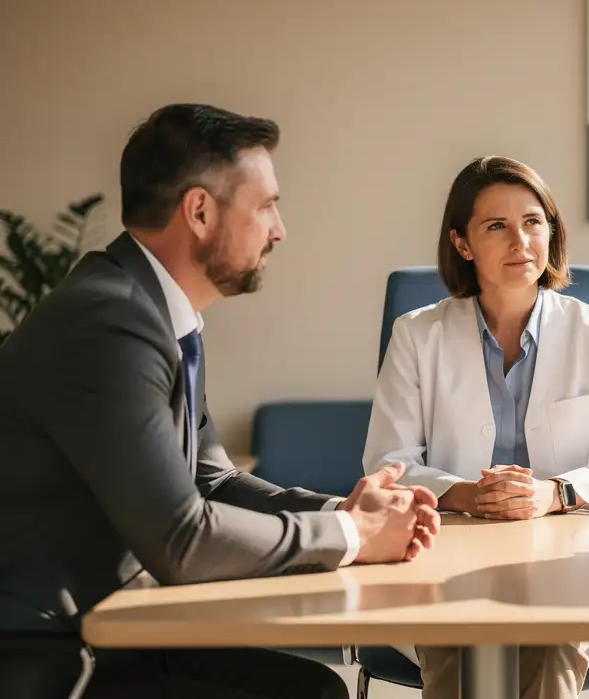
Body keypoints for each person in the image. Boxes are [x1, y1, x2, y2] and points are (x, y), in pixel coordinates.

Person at [0, 103, 440, 699]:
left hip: (120, 630)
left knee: (313, 691)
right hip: (50, 655)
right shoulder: (110, 321)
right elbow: (183, 538)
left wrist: (349, 510)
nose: (279, 229)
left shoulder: (153, 313)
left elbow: (213, 481)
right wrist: (353, 536)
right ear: (200, 211)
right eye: (265, 206)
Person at [363, 155, 589, 699]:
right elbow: (387, 463)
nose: (520, 241)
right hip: (446, 555)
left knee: (553, 640)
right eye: (496, 226)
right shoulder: (416, 336)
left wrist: (552, 494)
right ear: (462, 243)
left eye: (532, 222)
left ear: (551, 232)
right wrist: (466, 494)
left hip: (571, 557)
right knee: (455, 642)